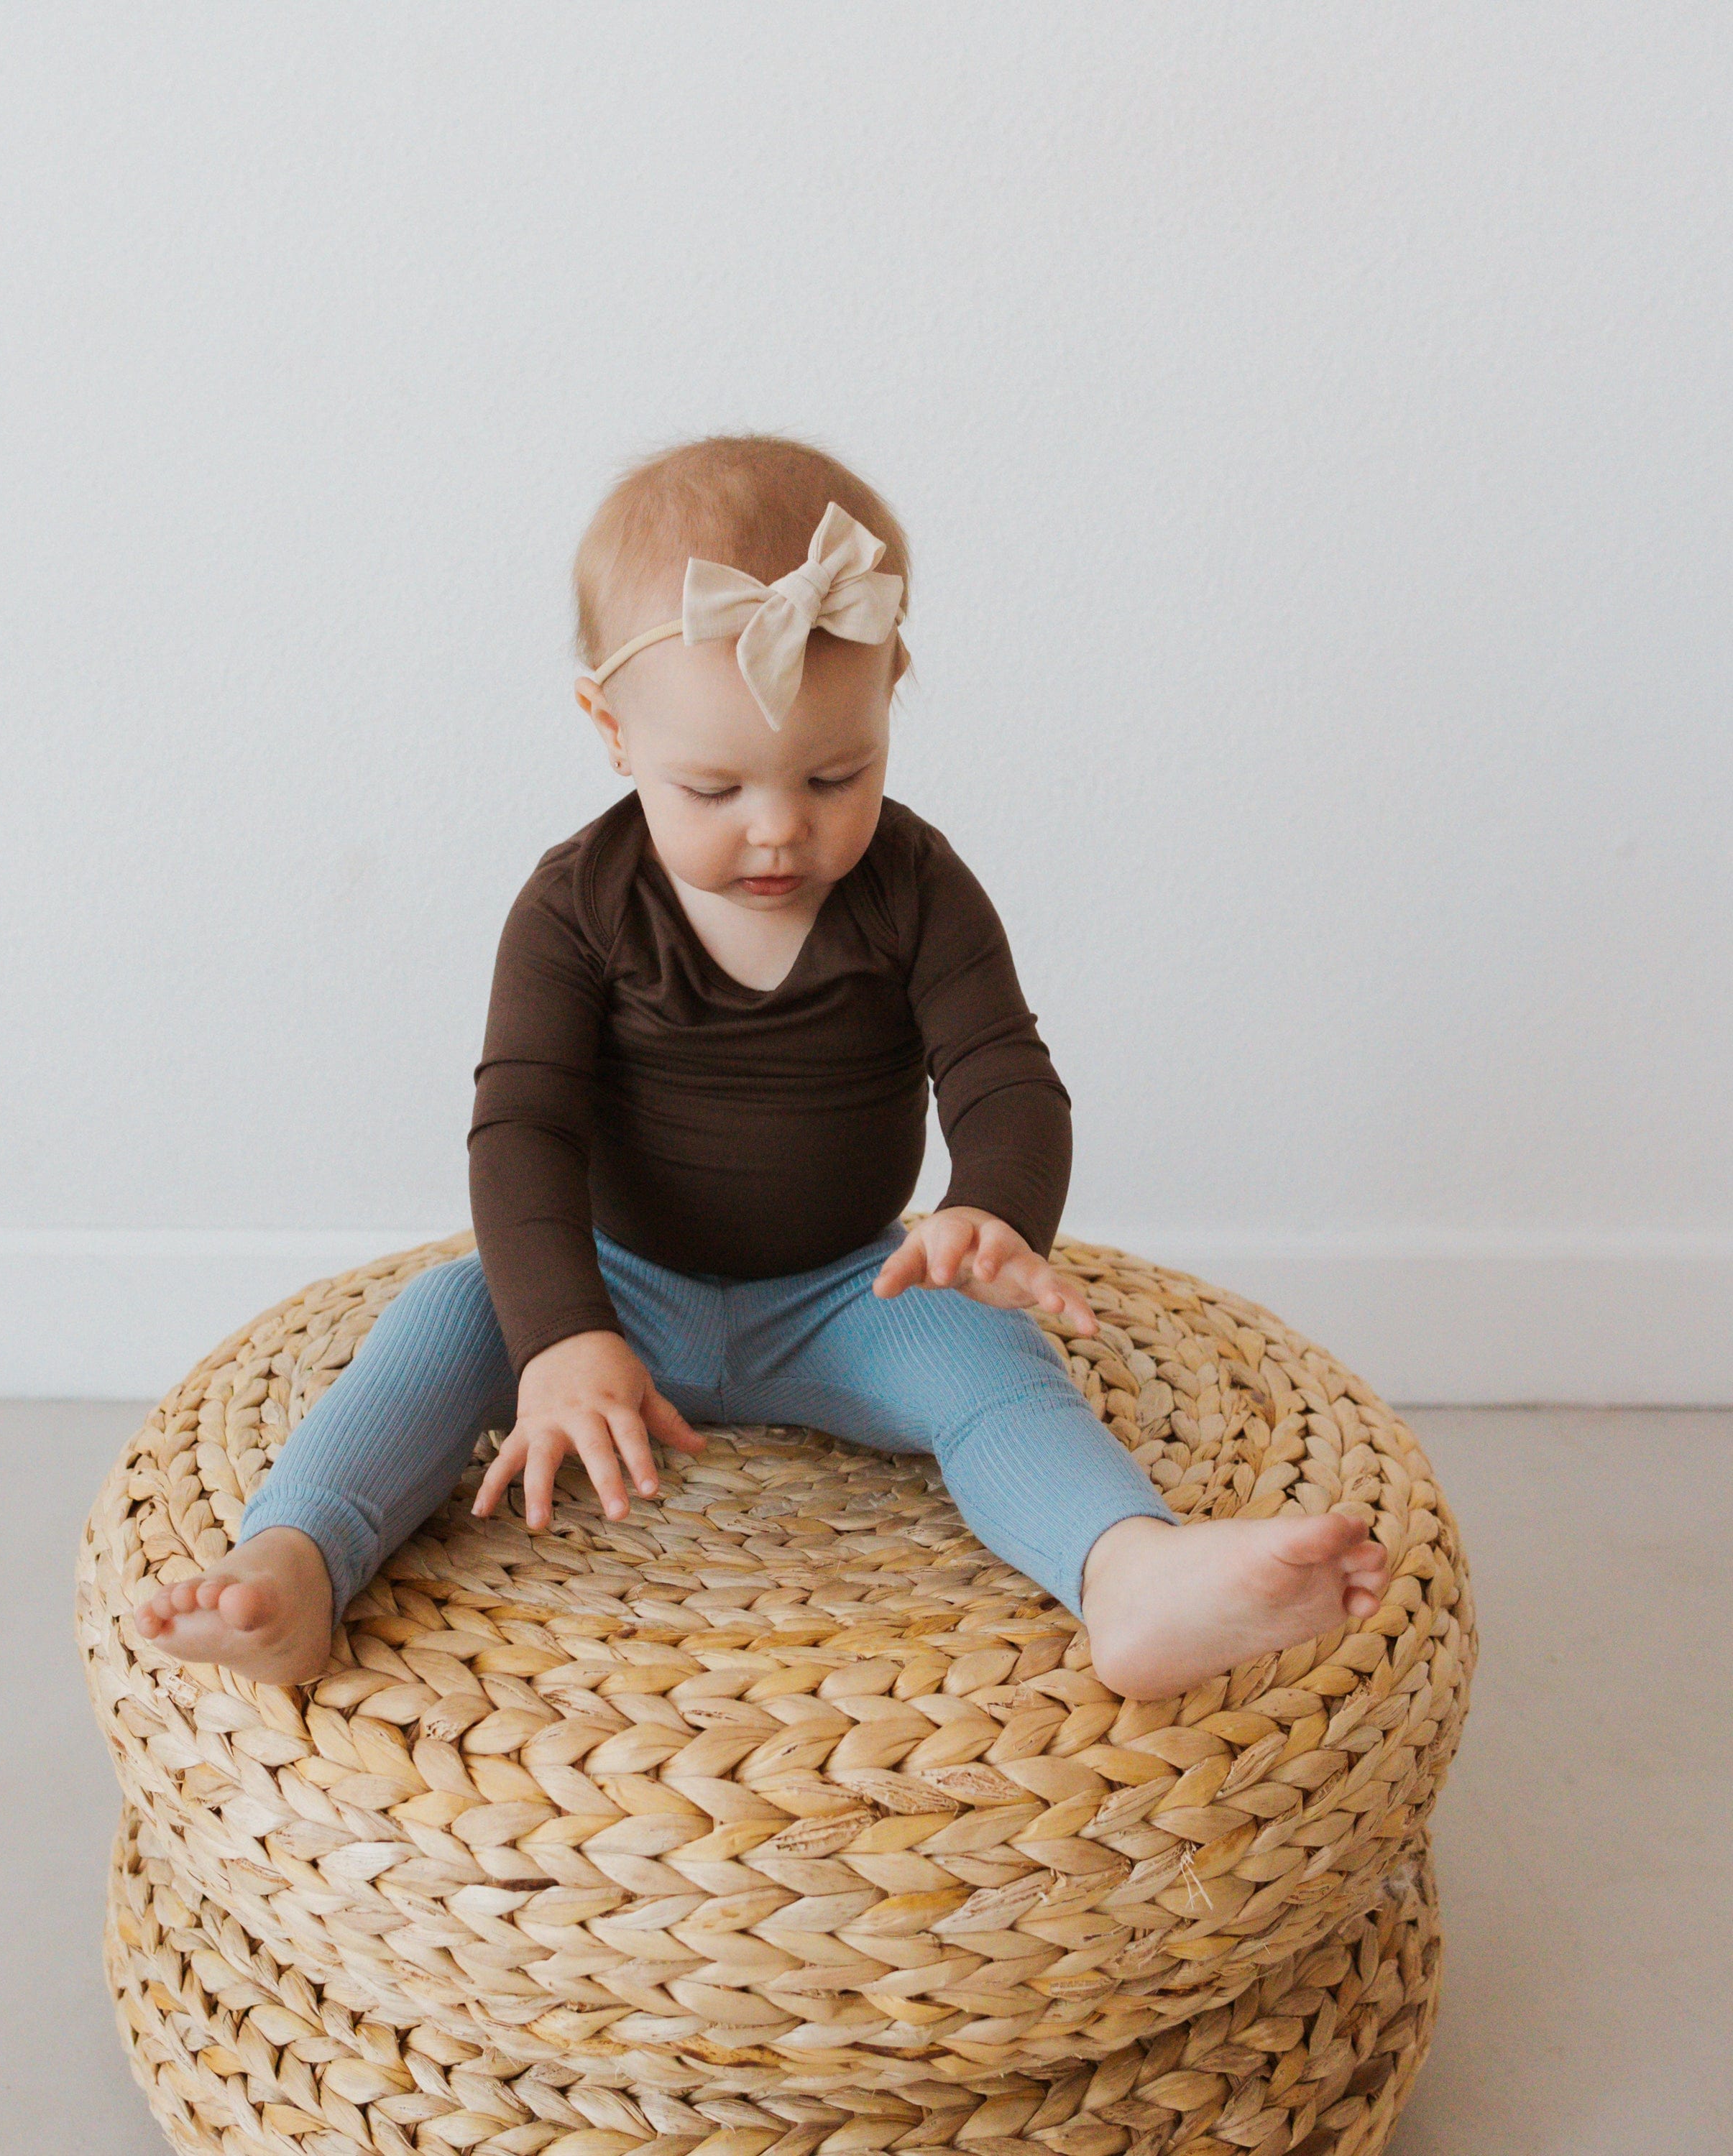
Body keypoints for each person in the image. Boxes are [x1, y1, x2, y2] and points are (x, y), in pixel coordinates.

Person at [136, 433, 1388, 1700]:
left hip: (853, 1293)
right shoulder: (575, 907)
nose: (781, 826)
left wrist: (992, 1214)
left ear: (892, 698)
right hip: (620, 1285)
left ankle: (1131, 1576)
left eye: (835, 774)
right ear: (610, 730)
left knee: (1000, 1367)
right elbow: (522, 1131)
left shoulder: (918, 888)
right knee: (444, 1321)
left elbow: (1004, 1074)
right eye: (714, 786)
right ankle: (294, 1565)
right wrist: (563, 1334)